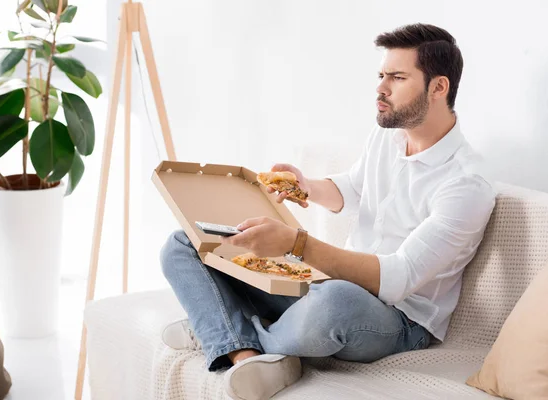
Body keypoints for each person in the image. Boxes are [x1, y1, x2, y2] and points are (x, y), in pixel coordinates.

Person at [160, 23, 496, 400]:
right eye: (381, 75)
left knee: (334, 303)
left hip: (398, 319)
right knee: (184, 243)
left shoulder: (467, 184)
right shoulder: (388, 133)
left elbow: (399, 278)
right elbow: (353, 189)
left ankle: (220, 331)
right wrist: (307, 187)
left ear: (439, 87)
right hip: (326, 281)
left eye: (398, 77)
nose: (381, 88)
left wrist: (296, 244)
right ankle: (243, 348)